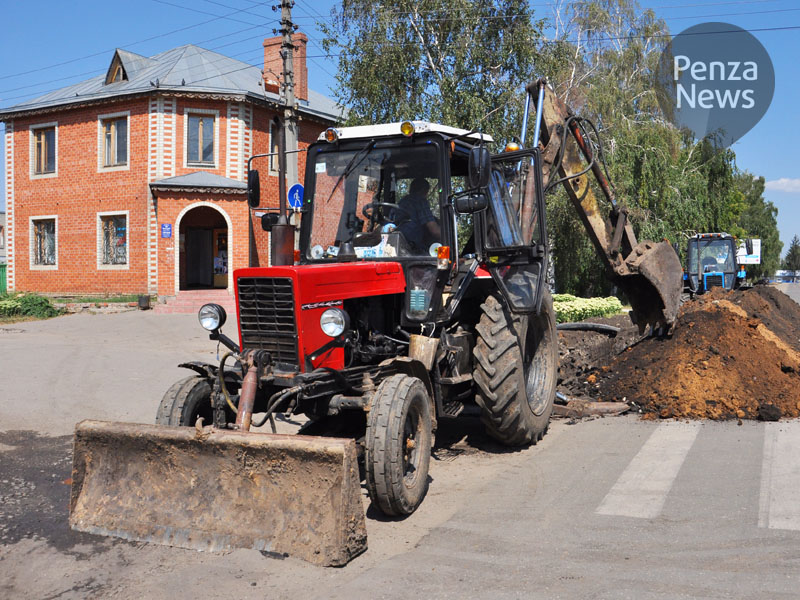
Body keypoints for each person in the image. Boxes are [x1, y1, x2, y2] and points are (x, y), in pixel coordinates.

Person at [396, 178, 441, 253]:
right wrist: (448, 235)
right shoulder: (420, 201)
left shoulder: (402, 202)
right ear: (424, 190)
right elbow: (435, 231)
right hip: (414, 248)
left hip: (399, 245)